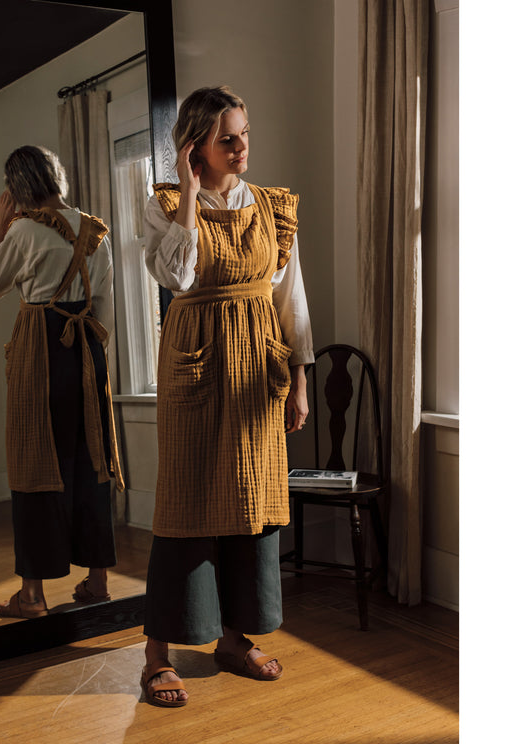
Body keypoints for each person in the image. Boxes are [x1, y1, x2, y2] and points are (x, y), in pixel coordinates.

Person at [140, 86, 314, 707]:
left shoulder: (274, 207)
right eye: (227, 139)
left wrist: (298, 379)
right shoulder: (164, 205)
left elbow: (290, 300)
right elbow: (177, 277)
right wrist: (188, 193)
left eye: (245, 133)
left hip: (257, 369)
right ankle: (158, 651)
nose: (242, 147)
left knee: (252, 501)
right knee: (187, 502)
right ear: (194, 150)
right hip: (196, 363)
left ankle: (234, 639)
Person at [0, 145, 123, 619]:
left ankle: (33, 594)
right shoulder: (94, 228)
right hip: (86, 348)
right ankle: (97, 580)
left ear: (17, 188)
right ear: (56, 175)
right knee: (91, 459)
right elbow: (102, 300)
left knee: (34, 459)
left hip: (41, 348)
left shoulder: (21, 229)